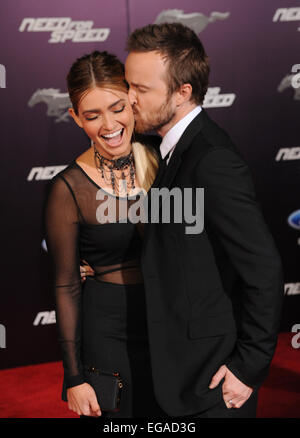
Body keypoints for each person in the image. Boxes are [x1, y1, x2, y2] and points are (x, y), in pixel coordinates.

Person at [82, 23, 284, 418]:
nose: (129, 99)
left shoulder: (212, 160)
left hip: (211, 382)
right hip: (177, 372)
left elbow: (264, 269)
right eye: (129, 85)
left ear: (182, 92)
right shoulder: (165, 148)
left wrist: (248, 367)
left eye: (142, 89)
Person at [44, 50, 167, 418]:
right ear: (76, 118)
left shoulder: (165, 159)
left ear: (133, 101)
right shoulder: (67, 189)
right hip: (108, 333)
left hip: (170, 325)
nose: (109, 124)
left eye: (116, 108)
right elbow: (66, 285)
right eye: (92, 115)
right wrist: (74, 377)